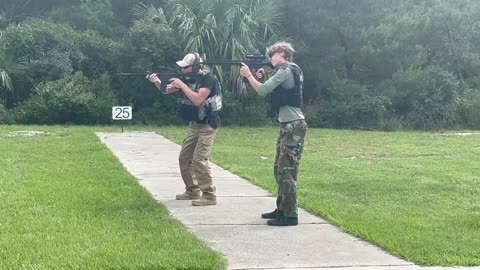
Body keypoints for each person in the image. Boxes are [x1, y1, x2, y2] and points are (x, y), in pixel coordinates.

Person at [240, 42, 307, 226]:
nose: (270, 57)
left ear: (283, 54)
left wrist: (248, 76)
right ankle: (282, 209)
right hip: (289, 125)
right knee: (279, 168)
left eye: (273, 54)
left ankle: (290, 215)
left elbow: (262, 90)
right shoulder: (288, 70)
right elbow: (276, 86)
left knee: (287, 171)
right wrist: (261, 75)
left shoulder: (285, 70)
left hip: (293, 126)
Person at [147, 53, 222, 206]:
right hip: (194, 125)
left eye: (186, 67)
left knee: (199, 160)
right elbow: (166, 90)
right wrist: (156, 82)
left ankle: (209, 195)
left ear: (195, 66)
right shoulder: (186, 79)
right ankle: (192, 190)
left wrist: (182, 86)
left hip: (208, 125)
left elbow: (197, 100)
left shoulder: (208, 79)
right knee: (184, 158)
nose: (184, 70)